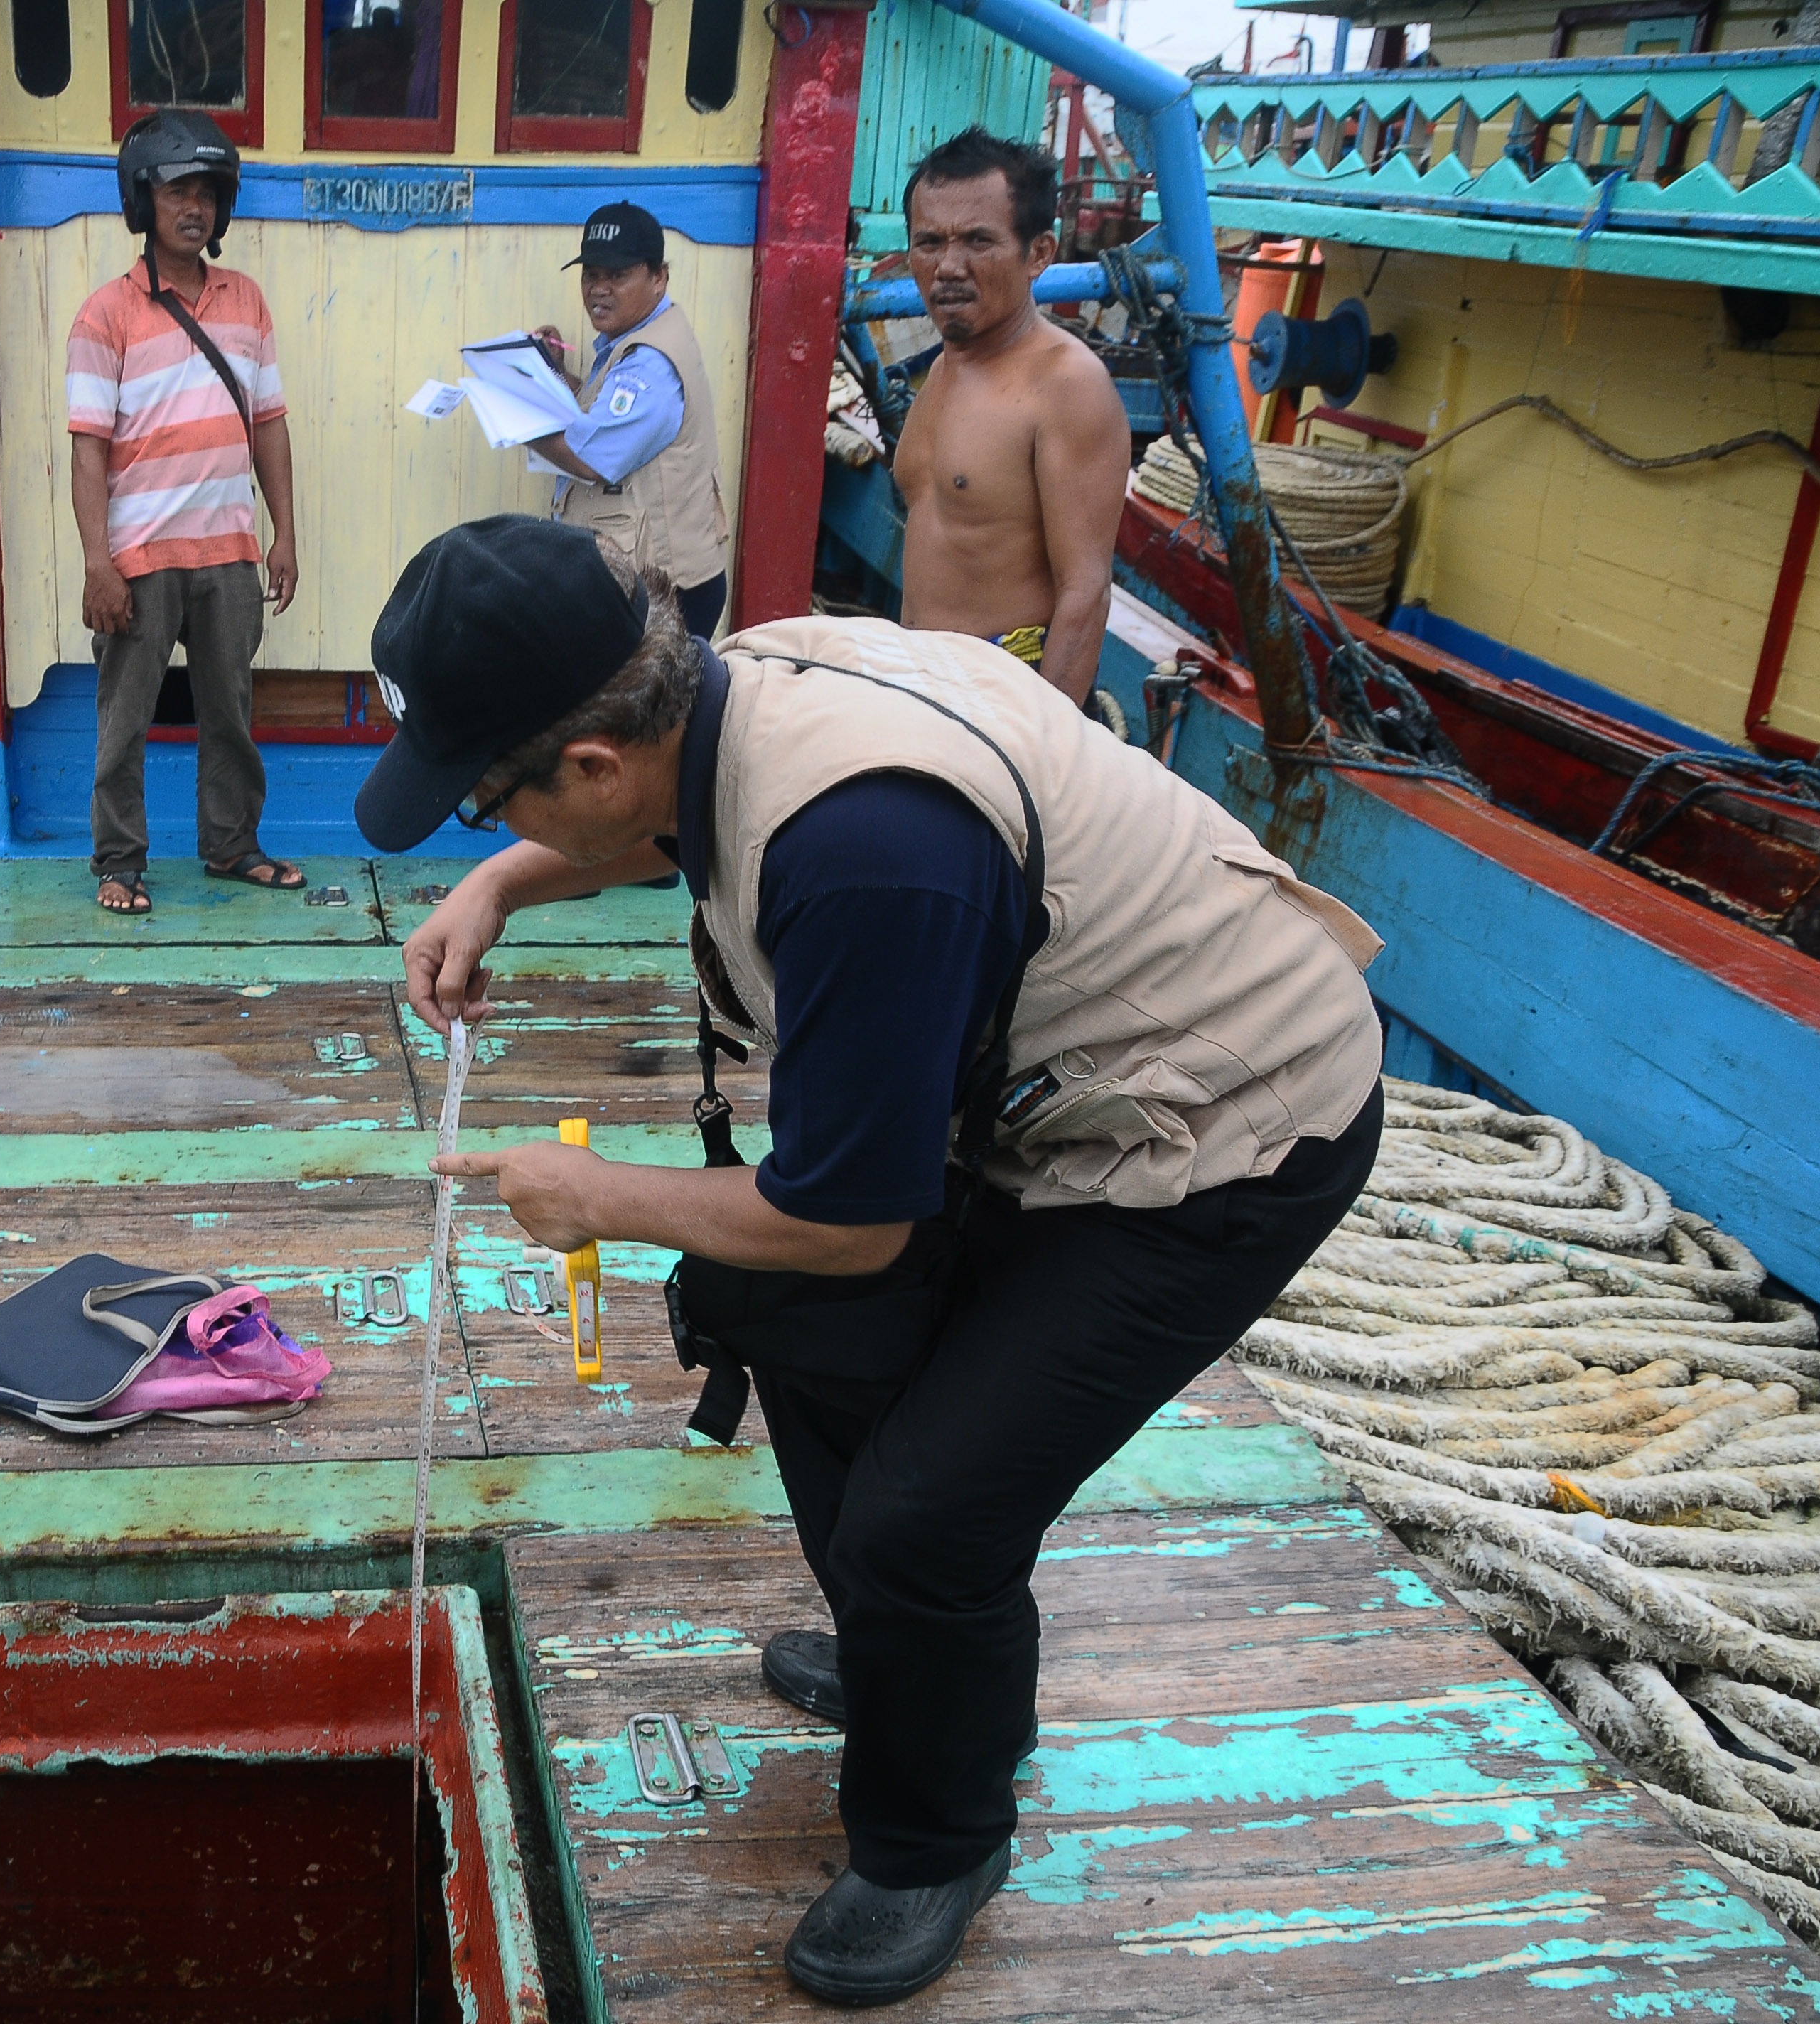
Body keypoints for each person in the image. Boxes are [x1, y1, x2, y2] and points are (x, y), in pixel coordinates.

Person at [359, 515, 1386, 2008]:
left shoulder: (859, 850)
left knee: (929, 1514)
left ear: (589, 761)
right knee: (796, 1326)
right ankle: (918, 1666)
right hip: (1051, 1078)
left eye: (476, 806)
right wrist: (501, 885)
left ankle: (934, 1833)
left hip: (1221, 1133)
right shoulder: (722, 685)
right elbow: (662, 816)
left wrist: (589, 1193)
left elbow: (853, 1219)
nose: (474, 826)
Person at [66, 109, 304, 917]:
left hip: (229, 551)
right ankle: (120, 860)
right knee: (124, 721)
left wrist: (284, 535)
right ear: (144, 200)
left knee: (229, 712)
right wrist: (99, 562)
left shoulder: (248, 302)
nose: (193, 206)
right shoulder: (107, 314)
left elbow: (267, 424)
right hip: (140, 554)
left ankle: (232, 845)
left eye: (206, 191)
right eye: (175, 191)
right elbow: (88, 449)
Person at [892, 129, 1131, 710]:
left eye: (978, 240)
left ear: (1040, 254)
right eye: (928, 242)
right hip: (918, 689)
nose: (948, 266)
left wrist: (1041, 759)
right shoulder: (947, 370)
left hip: (1004, 701)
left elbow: (1085, 592)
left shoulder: (1066, 384)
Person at [525, 202, 734, 640]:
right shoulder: (637, 339)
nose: (599, 289)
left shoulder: (649, 365)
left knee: (638, 709)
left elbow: (591, 456)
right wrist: (558, 377)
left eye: (618, 276)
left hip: (664, 596)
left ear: (659, 278)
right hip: (649, 585)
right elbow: (607, 416)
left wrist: (516, 410)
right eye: (591, 275)